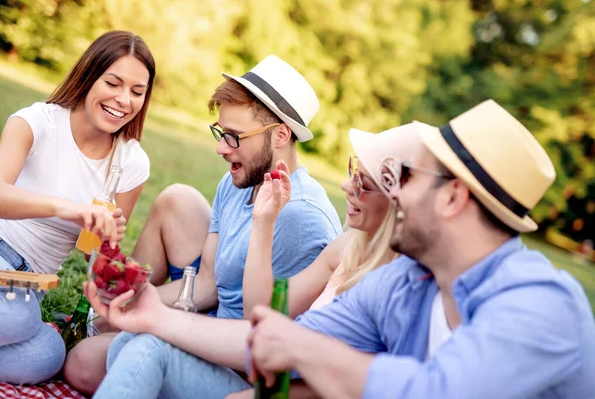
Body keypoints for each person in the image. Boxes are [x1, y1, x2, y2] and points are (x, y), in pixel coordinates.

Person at [245, 100, 595, 399]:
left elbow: (434, 392)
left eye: (410, 178)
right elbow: (272, 338)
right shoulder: (413, 278)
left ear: (453, 197)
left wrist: (301, 348)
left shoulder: (542, 304)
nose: (395, 193)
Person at [65, 55, 343, 394]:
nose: (220, 148)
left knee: (93, 362)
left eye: (235, 136)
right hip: (211, 325)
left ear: (281, 135)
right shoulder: (238, 181)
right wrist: (134, 300)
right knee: (84, 359)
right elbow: (210, 281)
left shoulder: (303, 218)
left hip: (240, 366)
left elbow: (268, 344)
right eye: (221, 133)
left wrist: (172, 329)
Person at [83, 123, 420, 399]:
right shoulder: (349, 247)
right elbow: (260, 320)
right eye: (352, 170)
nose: (347, 185)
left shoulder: (399, 283)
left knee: (146, 350)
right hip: (264, 376)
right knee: (128, 344)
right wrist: (263, 223)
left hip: (271, 387)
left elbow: (351, 380)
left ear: (400, 202)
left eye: (363, 183)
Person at [0, 30, 155, 385]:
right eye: (113, 83)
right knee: (19, 322)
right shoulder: (37, 122)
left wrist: (107, 243)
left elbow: (93, 257)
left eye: (137, 92)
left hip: (29, 287)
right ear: (88, 75)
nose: (123, 99)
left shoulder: (131, 163)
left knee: (47, 355)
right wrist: (67, 208)